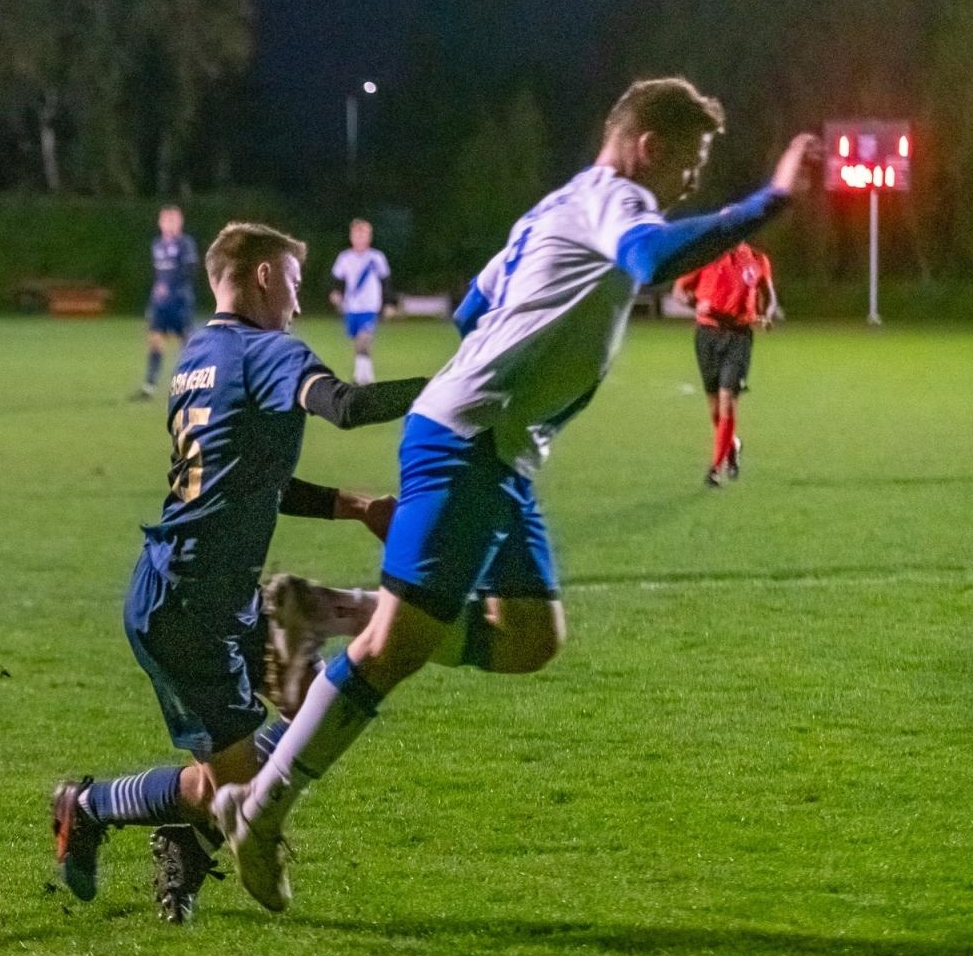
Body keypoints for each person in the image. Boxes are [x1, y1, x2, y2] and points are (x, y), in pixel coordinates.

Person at [212, 78, 822, 913]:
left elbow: (472, 307)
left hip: (497, 446)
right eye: (691, 159)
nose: (690, 179)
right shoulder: (615, 196)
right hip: (470, 439)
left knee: (532, 636)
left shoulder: (554, 206)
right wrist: (774, 199)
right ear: (649, 144)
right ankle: (259, 806)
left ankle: (327, 612)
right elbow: (649, 258)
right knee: (395, 650)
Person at [53, 221, 428, 923]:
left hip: (205, 591)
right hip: (190, 606)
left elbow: (251, 481)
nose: (297, 296)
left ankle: (156, 827)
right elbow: (343, 405)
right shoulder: (269, 351)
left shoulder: (200, 356)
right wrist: (452, 387)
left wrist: (356, 507)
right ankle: (97, 807)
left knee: (314, 718)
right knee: (249, 792)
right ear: (260, 275)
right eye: (290, 278)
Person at [674, 242, 776, 486]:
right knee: (715, 411)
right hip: (707, 335)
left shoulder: (757, 260)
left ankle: (715, 469)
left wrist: (767, 315)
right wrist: (693, 305)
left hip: (739, 336)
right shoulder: (705, 254)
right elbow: (679, 288)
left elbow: (769, 294)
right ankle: (733, 445)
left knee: (727, 400)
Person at [134, 206, 201, 399]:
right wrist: (156, 292)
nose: (169, 225)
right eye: (166, 221)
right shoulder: (157, 244)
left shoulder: (185, 244)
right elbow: (159, 274)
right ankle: (149, 387)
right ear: (160, 223)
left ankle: (194, 386)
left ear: (180, 223)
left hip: (180, 300)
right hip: (160, 303)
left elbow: (189, 271)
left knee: (187, 343)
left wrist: (171, 287)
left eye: (173, 221)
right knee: (155, 341)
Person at [329, 219, 392, 385]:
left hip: (370, 305)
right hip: (352, 306)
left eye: (363, 235)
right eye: (357, 234)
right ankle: (361, 375)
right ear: (351, 237)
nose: (360, 238)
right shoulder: (345, 258)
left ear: (369, 237)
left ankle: (364, 378)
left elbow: (385, 281)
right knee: (358, 341)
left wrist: (387, 304)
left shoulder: (376, 257)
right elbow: (336, 279)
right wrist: (336, 293)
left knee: (365, 338)